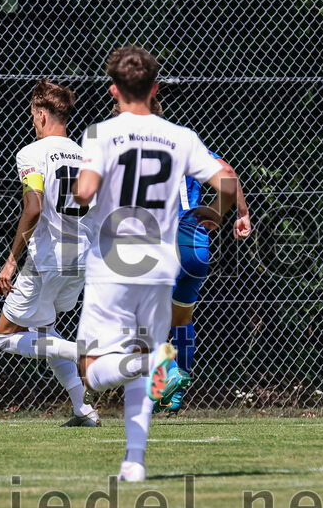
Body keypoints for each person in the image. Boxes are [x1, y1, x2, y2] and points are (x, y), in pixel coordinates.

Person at [73, 46, 237, 481]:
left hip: (113, 262)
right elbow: (226, 181)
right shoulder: (180, 136)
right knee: (143, 357)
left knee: (91, 371)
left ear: (114, 89)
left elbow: (85, 191)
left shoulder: (100, 133)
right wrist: (213, 218)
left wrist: (81, 191)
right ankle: (134, 461)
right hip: (161, 266)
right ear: (155, 88)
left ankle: (152, 365)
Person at [111, 100, 253, 413]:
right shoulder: (182, 142)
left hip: (161, 240)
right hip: (196, 245)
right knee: (181, 317)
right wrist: (234, 214)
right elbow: (227, 174)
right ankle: (176, 389)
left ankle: (168, 373)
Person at [0, 79, 101, 427]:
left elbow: (34, 207)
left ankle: (84, 352)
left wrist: (11, 261)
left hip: (48, 259)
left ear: (40, 115)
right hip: (82, 258)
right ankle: (83, 410)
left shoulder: (32, 153)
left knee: (4, 337)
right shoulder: (87, 156)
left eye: (32, 114)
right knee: (45, 330)